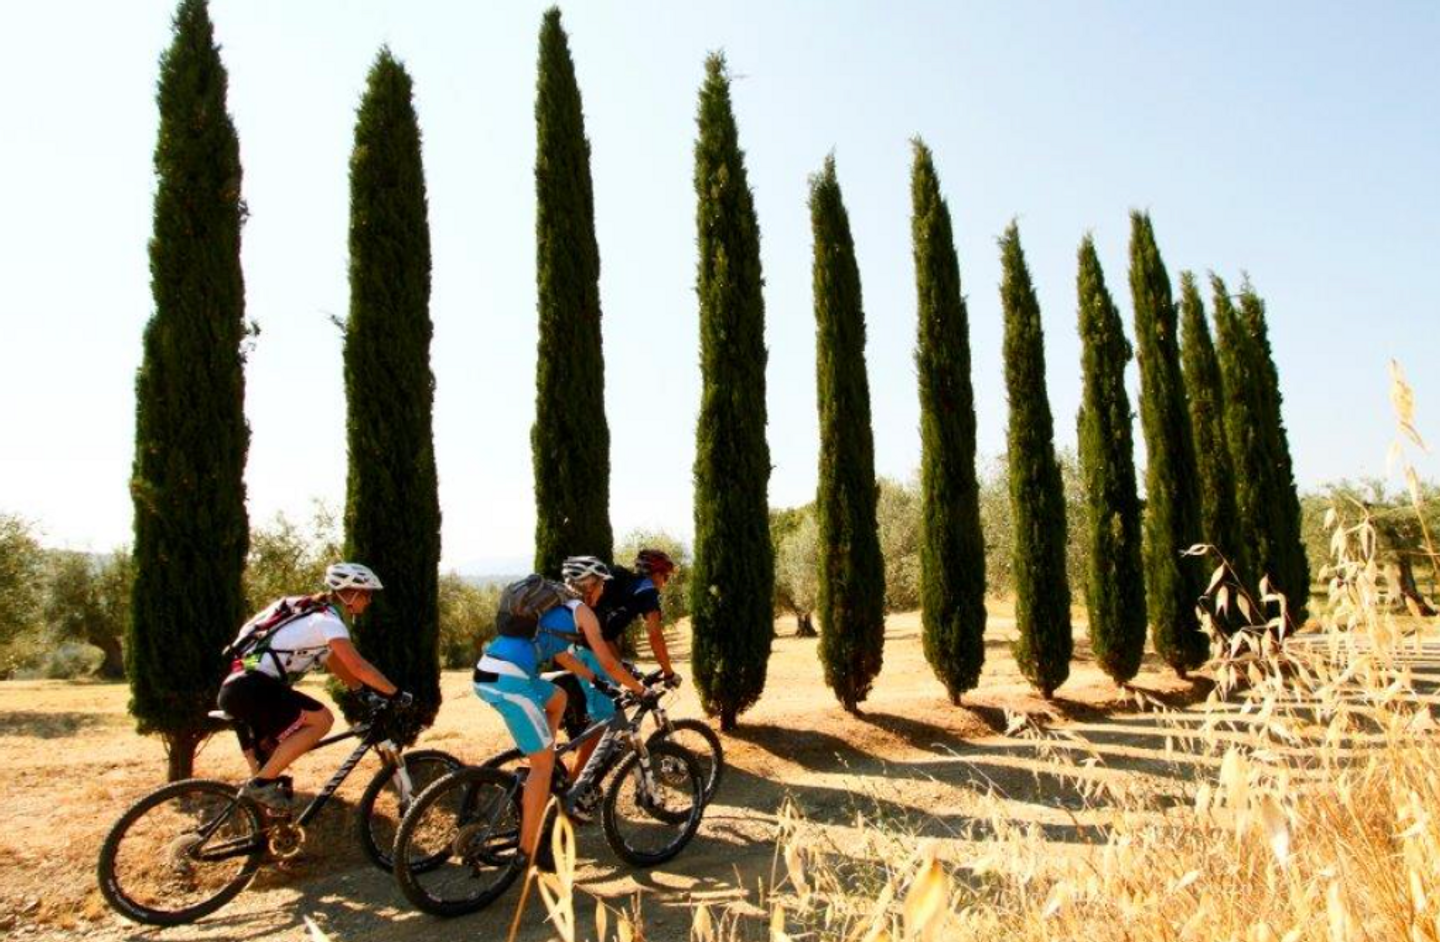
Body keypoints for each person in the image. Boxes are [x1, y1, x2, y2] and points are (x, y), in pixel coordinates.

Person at [472, 556, 649, 866]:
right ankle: (528, 852)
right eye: (602, 585)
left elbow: (565, 658)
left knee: (557, 698)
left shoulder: (554, 609)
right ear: (591, 584)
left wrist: (595, 681)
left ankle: (546, 759)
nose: (603, 592)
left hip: (488, 672)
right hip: (511, 681)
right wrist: (639, 689)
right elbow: (608, 660)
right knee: (540, 767)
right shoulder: (582, 612)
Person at [217, 562, 403, 811]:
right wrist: (397, 693)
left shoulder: (314, 616)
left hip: (242, 684)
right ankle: (261, 785)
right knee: (322, 720)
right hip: (253, 688)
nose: (369, 600)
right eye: (367, 593)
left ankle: (270, 821)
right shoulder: (327, 622)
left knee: (273, 757)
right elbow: (358, 665)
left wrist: (359, 690)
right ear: (350, 593)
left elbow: (332, 659)